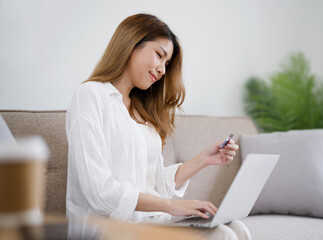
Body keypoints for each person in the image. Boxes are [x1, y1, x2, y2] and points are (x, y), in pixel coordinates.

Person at [66, 13, 252, 240]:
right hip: (108, 230)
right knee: (222, 236)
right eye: (159, 55)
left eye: (167, 63)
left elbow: (154, 183)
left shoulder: (141, 111)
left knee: (236, 229)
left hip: (149, 224)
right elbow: (99, 191)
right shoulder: (91, 95)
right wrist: (171, 206)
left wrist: (204, 159)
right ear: (132, 43)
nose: (163, 70)